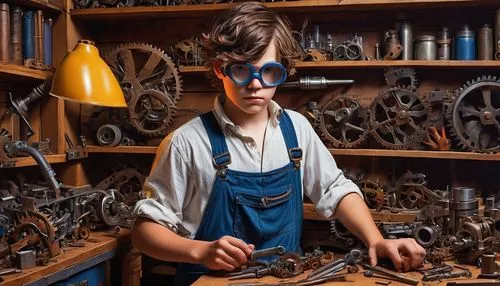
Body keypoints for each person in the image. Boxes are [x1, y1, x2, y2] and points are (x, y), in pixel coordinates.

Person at [131, 2, 426, 285]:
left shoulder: (297, 130)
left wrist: (376, 239)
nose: (256, 84)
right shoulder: (186, 144)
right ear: (219, 68)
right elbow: (144, 232)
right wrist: (201, 251)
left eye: (269, 72)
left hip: (286, 279)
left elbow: (336, 190)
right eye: (241, 70)